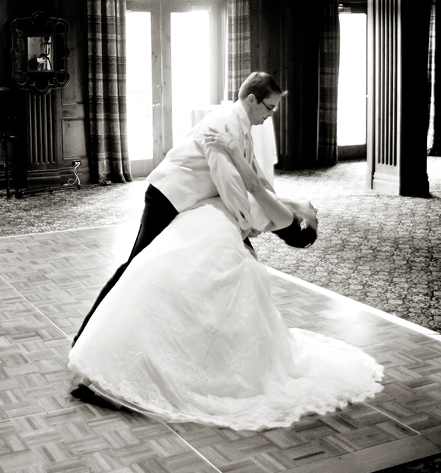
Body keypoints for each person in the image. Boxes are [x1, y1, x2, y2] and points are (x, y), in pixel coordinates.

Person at [67, 138, 383, 429]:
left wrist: (231, 151)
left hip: (213, 227)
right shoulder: (281, 210)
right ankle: (121, 368)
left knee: (175, 285)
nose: (316, 212)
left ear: (302, 225)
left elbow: (256, 188)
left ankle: (140, 374)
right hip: (201, 219)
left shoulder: (285, 215)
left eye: (316, 220)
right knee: (155, 276)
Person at [72, 72, 316, 348]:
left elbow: (256, 178)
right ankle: (87, 337)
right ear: (252, 99)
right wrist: (245, 223)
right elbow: (227, 179)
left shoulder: (242, 126)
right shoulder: (225, 124)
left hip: (186, 197)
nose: (270, 114)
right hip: (168, 195)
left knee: (160, 269)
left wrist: (271, 209)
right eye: (269, 107)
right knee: (136, 266)